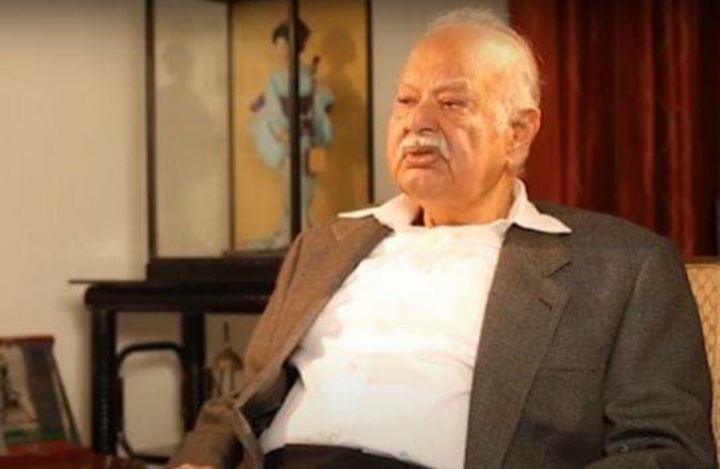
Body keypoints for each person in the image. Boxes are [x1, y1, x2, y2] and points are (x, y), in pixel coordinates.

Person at [169, 7, 716, 469]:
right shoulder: (323, 246)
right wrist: (198, 460)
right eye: (406, 100)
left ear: (519, 130)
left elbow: (669, 453)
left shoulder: (622, 267)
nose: (418, 122)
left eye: (452, 103)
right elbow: (240, 402)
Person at [248, 19, 334, 249]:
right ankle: (291, 233)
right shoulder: (275, 78)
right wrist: (280, 130)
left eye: (284, 43)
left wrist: (319, 89)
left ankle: (302, 234)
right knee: (289, 188)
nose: (281, 49)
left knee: (305, 188)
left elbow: (323, 101)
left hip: (306, 137)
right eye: (278, 44)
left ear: (296, 45)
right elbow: (273, 109)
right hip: (287, 139)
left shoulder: (309, 75)